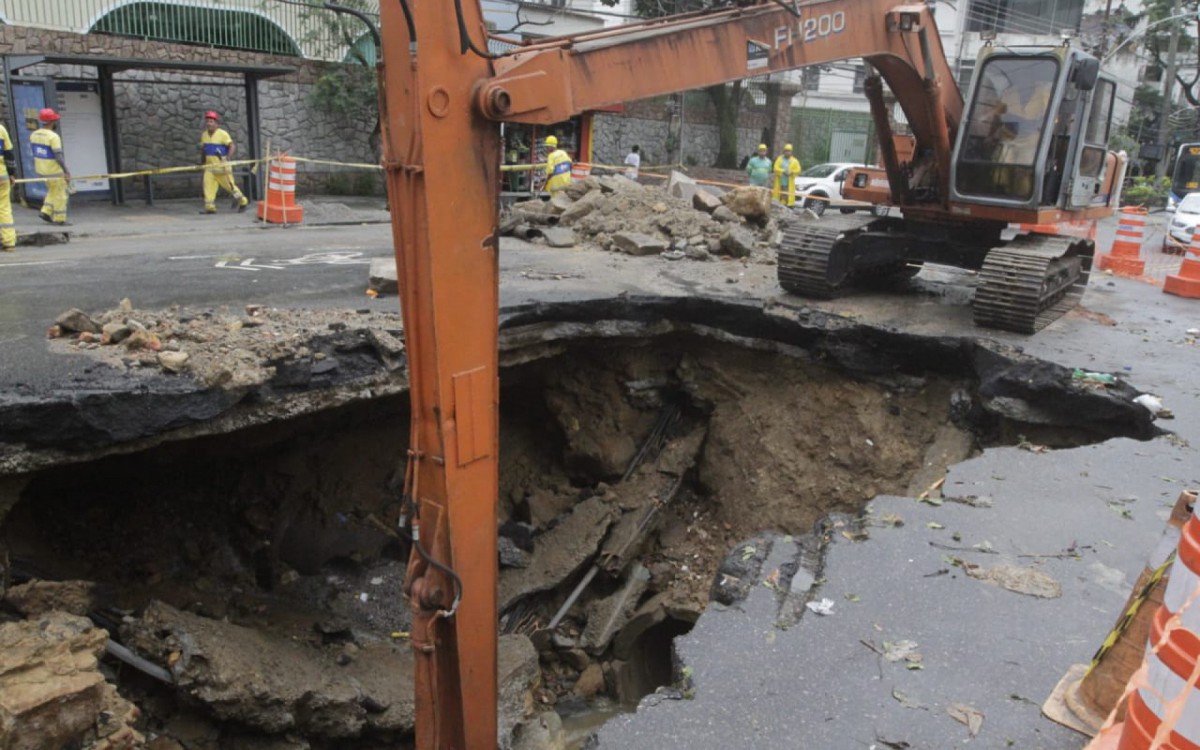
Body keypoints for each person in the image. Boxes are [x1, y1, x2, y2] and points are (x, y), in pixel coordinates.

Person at [199, 110, 249, 214]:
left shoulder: (222, 134)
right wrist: (202, 162)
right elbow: (204, 149)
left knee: (230, 187)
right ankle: (210, 207)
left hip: (222, 168)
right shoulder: (204, 135)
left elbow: (232, 146)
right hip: (209, 167)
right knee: (207, 186)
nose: (209, 123)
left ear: (216, 123)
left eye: (211, 121)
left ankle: (243, 201)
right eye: (207, 121)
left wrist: (228, 158)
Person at [30, 108, 71, 226]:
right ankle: (60, 218)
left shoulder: (34, 135)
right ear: (52, 121)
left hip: (42, 170)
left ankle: (45, 212)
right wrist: (66, 171)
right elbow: (58, 156)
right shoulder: (53, 137)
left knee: (52, 191)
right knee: (61, 195)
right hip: (54, 171)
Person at [0, 121, 16, 250]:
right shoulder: (1, 129)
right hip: (2, 175)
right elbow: (9, 154)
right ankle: (9, 242)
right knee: (4, 208)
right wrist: (12, 174)